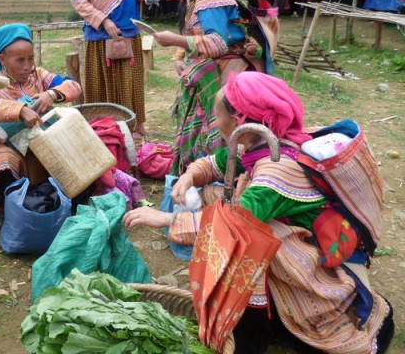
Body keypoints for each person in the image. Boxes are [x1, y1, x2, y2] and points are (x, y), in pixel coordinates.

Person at [123, 71, 394, 354]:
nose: (215, 123)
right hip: (298, 238)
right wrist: (189, 176)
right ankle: (267, 314)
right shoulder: (266, 142)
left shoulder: (274, 175)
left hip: (312, 259)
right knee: (221, 202)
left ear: (239, 121)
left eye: (217, 117)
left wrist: (166, 219)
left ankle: (275, 321)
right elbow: (217, 165)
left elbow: (232, 226)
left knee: (246, 246)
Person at [151, 0, 271, 176]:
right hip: (225, 72)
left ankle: (220, 182)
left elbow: (217, 43)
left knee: (225, 131)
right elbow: (195, 31)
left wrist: (173, 41)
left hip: (227, 75)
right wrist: (180, 53)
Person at [0, 23, 82, 229]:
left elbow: (74, 86)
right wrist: (19, 110)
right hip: (11, 146)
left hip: (43, 141)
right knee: (2, 160)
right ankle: (5, 203)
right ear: (2, 60)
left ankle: (63, 195)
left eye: (31, 58)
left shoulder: (39, 76)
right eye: (20, 60)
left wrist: (52, 93)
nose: (27, 66)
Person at [70, 0, 156, 141]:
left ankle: (136, 128)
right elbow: (78, 0)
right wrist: (103, 20)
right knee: (101, 86)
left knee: (130, 83)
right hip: (98, 35)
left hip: (127, 32)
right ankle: (103, 130)